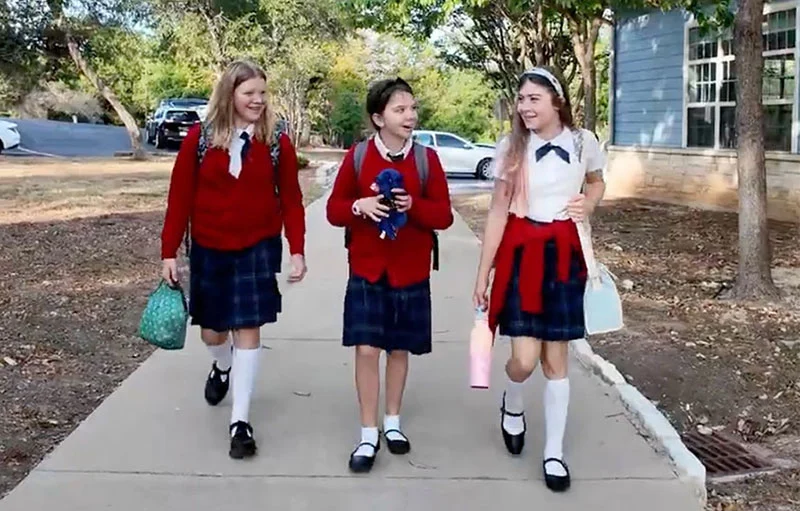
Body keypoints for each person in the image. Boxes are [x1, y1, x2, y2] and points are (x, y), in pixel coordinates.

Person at [160, 60, 307, 459]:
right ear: (230, 95)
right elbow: (180, 197)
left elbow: (291, 198)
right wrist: (168, 250)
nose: (258, 100)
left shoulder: (276, 141)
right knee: (213, 333)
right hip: (210, 246)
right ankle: (221, 366)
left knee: (249, 327)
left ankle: (240, 421)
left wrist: (297, 249)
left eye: (262, 93)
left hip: (258, 247)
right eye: (249, 94)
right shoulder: (201, 138)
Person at [472, 67, 606, 492]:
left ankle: (554, 453)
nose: (525, 106)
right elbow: (497, 212)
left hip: (565, 254)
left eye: (534, 99)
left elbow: (598, 182)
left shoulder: (584, 142)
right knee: (524, 361)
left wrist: (590, 202)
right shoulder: (511, 147)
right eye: (521, 98)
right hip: (522, 253)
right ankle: (513, 399)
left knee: (556, 360)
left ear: (556, 102)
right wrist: (483, 273)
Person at [326, 78, 453, 473]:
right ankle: (368, 432)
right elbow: (333, 210)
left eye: (413, 108)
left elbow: (444, 216)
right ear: (378, 117)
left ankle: (392, 422)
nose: (410, 116)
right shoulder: (359, 156)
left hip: (411, 270)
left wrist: (414, 205)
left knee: (399, 349)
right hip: (366, 268)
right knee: (367, 349)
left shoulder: (426, 160)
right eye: (400, 110)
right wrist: (360, 205)